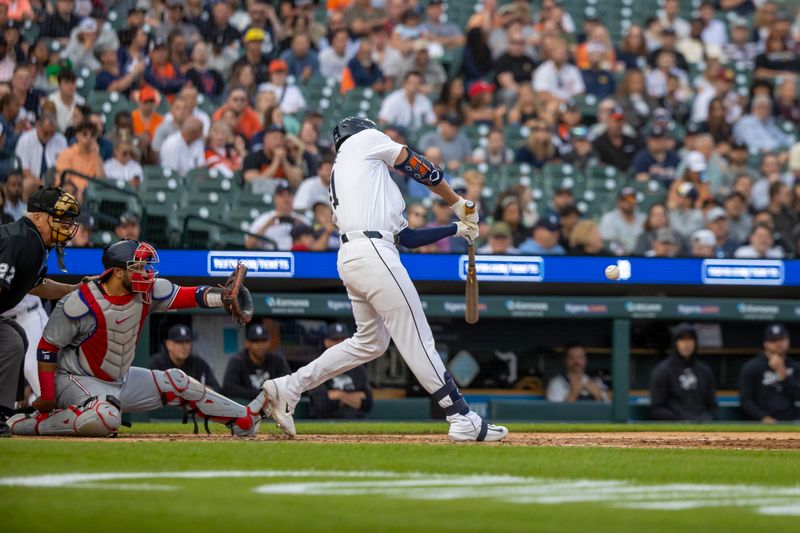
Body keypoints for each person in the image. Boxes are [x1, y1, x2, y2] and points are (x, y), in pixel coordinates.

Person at [260, 117, 505, 442]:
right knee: (418, 337)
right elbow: (417, 164)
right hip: (374, 253)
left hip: (355, 255)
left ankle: (290, 386)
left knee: (371, 342)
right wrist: (456, 201)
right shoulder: (362, 141)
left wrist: (457, 229)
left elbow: (409, 238)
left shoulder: (355, 177)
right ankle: (461, 416)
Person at [7, 240, 265, 438]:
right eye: (138, 267)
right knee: (106, 418)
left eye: (145, 266)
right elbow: (47, 347)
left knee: (177, 381)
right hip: (76, 380)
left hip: (120, 380)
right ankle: (28, 423)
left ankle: (244, 420)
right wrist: (49, 395)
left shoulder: (147, 292)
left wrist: (220, 297)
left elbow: (189, 295)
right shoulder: (81, 301)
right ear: (118, 272)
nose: (146, 273)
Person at [0, 187, 83, 436]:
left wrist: (75, 289)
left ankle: (2, 411)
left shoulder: (34, 241)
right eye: (59, 217)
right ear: (37, 216)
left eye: (68, 219)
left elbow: (37, 286)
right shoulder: (19, 240)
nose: (66, 225)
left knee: (13, 340)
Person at [649, 324, 717, 421]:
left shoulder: (705, 371)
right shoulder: (663, 370)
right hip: (675, 426)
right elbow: (656, 408)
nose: (686, 344)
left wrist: (706, 418)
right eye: (682, 340)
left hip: (703, 424)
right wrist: (680, 419)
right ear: (675, 343)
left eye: (690, 339)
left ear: (695, 342)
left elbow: (712, 406)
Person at [308, 322, 373, 419]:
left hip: (356, 423)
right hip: (325, 423)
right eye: (335, 340)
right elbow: (320, 404)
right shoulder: (317, 366)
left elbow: (367, 404)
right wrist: (353, 399)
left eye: (342, 340)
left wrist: (339, 395)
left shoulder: (357, 367)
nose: (339, 343)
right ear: (326, 342)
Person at [739, 324, 800, 423]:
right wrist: (764, 418)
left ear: (788, 340)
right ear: (765, 344)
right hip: (762, 422)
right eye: (773, 340)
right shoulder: (752, 367)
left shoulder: (795, 367)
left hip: (792, 421)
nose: (778, 343)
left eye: (782, 339)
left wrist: (783, 373)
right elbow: (745, 400)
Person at [222, 322, 290, 400]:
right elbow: (228, 388)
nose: (260, 345)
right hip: (246, 407)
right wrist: (261, 395)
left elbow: (288, 382)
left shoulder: (277, 360)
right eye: (255, 341)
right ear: (247, 343)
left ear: (269, 342)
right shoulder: (237, 360)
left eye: (263, 341)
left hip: (273, 408)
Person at [148, 324, 221, 392]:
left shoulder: (199, 363)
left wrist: (205, 390)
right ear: (168, 344)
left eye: (187, 342)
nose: (184, 346)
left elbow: (217, 389)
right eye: (179, 342)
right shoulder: (157, 363)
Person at [14, 114, 68, 196]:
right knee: (27, 184)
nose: (49, 137)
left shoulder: (61, 140)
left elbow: (64, 167)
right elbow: (23, 170)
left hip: (55, 184)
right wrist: (43, 183)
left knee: (68, 189)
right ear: (38, 126)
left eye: (52, 133)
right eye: (46, 133)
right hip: (34, 182)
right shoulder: (25, 139)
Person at [54, 120, 105, 201]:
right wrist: (79, 192)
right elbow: (65, 179)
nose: (89, 138)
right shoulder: (67, 153)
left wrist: (96, 156)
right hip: (68, 194)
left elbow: (101, 182)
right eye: (85, 134)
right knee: (69, 190)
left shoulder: (97, 157)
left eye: (92, 135)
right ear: (77, 135)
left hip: (89, 197)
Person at [600, 187, 646, 255]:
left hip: (641, 258)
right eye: (624, 199)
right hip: (616, 257)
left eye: (631, 199)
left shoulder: (644, 219)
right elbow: (608, 242)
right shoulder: (609, 218)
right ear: (618, 202)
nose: (629, 202)